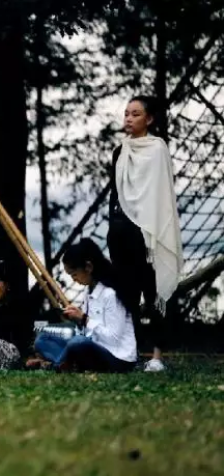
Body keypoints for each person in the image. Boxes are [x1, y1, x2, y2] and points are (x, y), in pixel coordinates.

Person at [107, 95, 183, 372]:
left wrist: (150, 228)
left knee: (153, 294)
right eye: (126, 113)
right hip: (122, 230)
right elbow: (116, 195)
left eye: (135, 114)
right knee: (126, 295)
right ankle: (130, 353)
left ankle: (157, 356)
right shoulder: (120, 151)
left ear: (149, 119)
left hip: (148, 232)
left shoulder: (157, 149)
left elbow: (160, 193)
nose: (129, 118)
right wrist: (113, 225)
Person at [33, 239, 138, 373]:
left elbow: (113, 338)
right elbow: (87, 332)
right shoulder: (88, 292)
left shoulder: (111, 294)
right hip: (93, 349)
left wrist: (84, 319)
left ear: (88, 267)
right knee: (42, 339)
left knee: (78, 343)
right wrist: (76, 319)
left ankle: (57, 366)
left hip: (117, 358)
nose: (73, 279)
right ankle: (66, 364)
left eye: (74, 274)